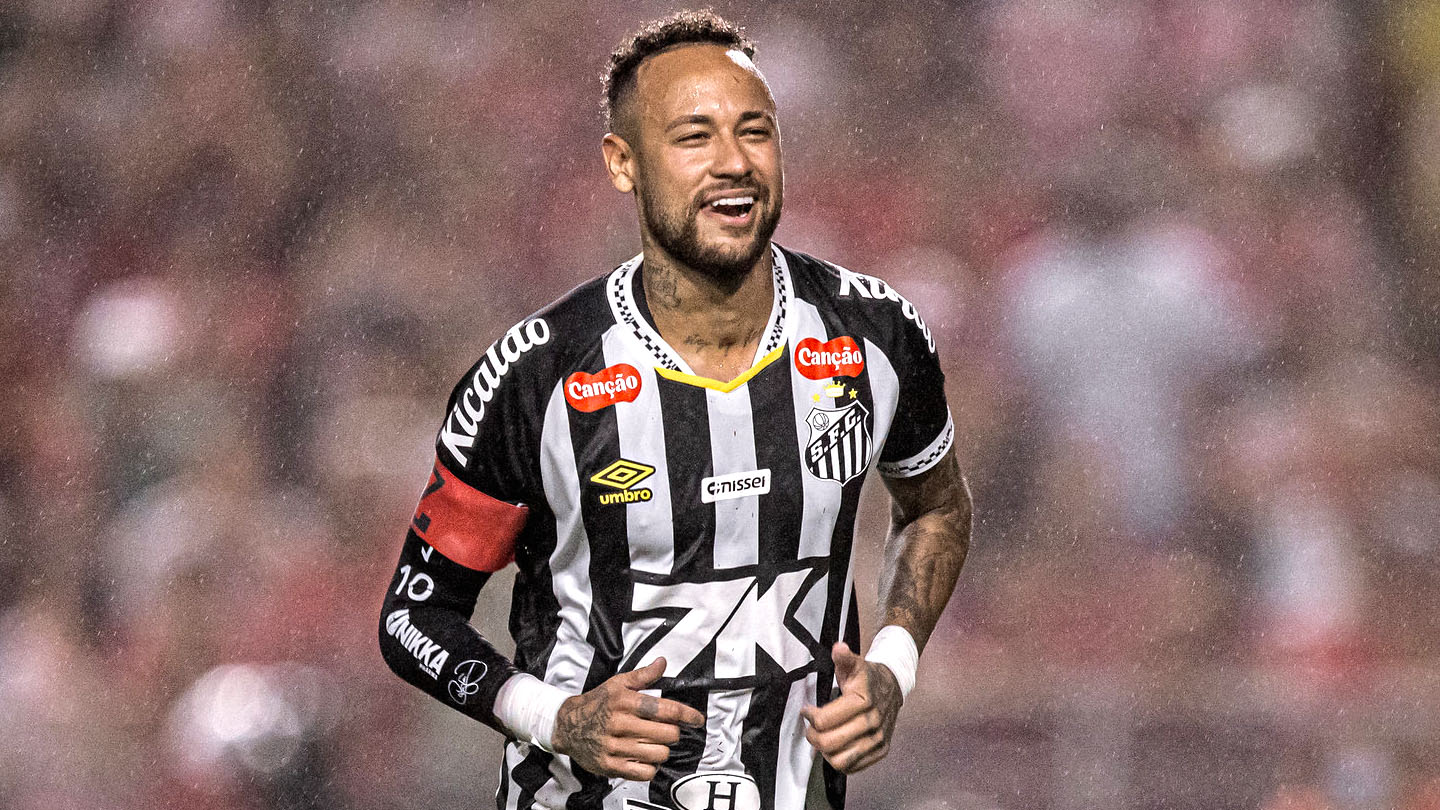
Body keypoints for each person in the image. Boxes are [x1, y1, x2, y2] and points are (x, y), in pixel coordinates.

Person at [378, 10, 971, 810]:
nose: (734, 162)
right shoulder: (537, 375)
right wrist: (555, 718)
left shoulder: (874, 335)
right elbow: (415, 617)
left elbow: (936, 506)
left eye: (755, 132)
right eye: (695, 137)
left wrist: (894, 667)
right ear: (623, 164)